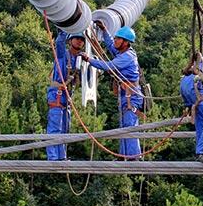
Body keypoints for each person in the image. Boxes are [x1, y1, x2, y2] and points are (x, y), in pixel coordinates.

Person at [81, 22, 143, 159]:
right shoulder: (123, 52)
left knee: (129, 125)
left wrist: (89, 60)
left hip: (131, 96)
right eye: (115, 38)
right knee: (124, 125)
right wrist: (104, 30)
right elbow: (110, 45)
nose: (115, 41)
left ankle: (133, 156)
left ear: (126, 42)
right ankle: (124, 155)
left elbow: (109, 66)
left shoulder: (128, 57)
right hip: (126, 94)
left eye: (118, 39)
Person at [46, 30, 86, 161]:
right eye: (76, 38)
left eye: (81, 39)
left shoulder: (79, 60)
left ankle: (61, 157)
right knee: (55, 127)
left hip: (67, 97)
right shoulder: (63, 55)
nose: (79, 41)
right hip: (57, 94)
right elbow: (58, 42)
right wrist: (66, 28)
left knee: (64, 128)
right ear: (70, 41)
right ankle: (53, 158)